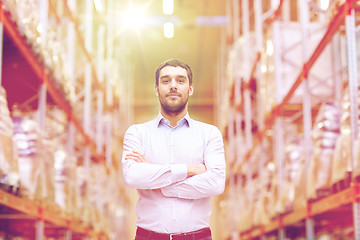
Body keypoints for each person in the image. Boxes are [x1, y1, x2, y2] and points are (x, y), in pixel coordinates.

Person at [122, 59, 226, 240]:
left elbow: (216, 183)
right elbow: (133, 176)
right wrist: (188, 169)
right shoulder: (137, 133)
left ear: (190, 89)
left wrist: (157, 180)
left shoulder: (209, 134)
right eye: (165, 81)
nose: (173, 86)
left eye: (180, 80)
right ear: (156, 89)